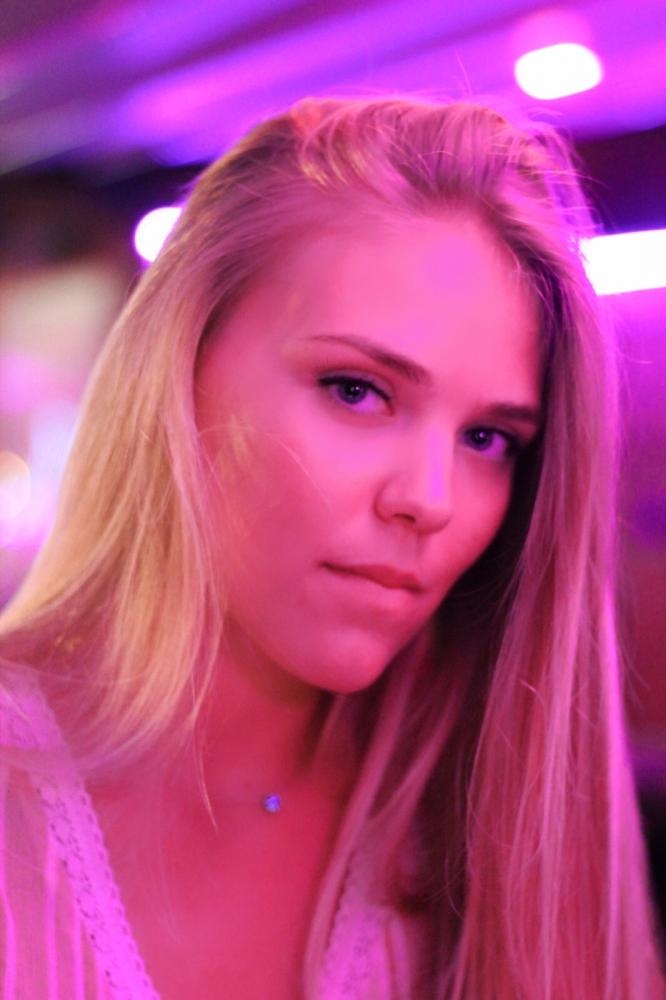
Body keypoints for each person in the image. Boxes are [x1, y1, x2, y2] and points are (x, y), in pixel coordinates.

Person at [0, 96, 662, 999]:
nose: (429, 501)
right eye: (357, 390)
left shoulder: (482, 823)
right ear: (180, 366)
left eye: (487, 439)